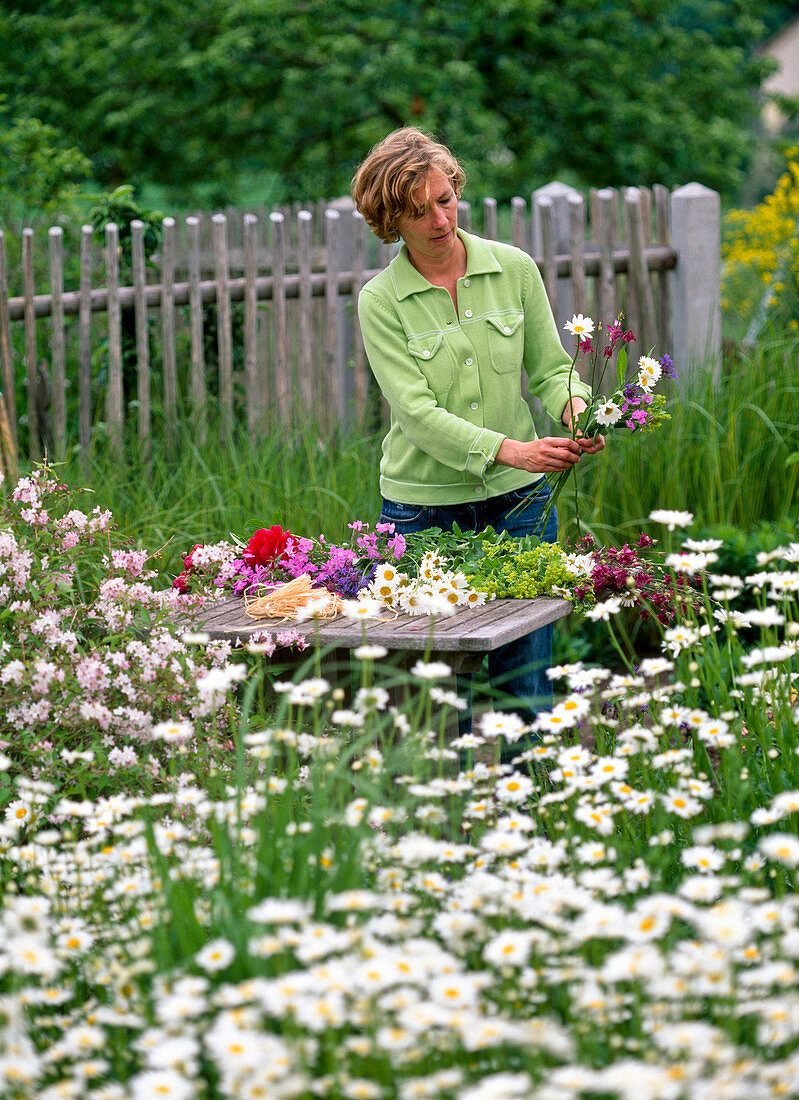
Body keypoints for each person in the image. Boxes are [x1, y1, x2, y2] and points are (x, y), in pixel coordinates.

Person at [351, 127, 604, 735]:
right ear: (390, 221)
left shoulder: (513, 269)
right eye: (418, 211)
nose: (439, 218)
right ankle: (448, 820)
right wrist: (512, 449)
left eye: (445, 198)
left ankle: (528, 817)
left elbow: (551, 369)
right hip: (422, 514)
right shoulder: (380, 301)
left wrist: (577, 408)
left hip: (521, 505)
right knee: (442, 697)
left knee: (525, 683)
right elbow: (416, 413)